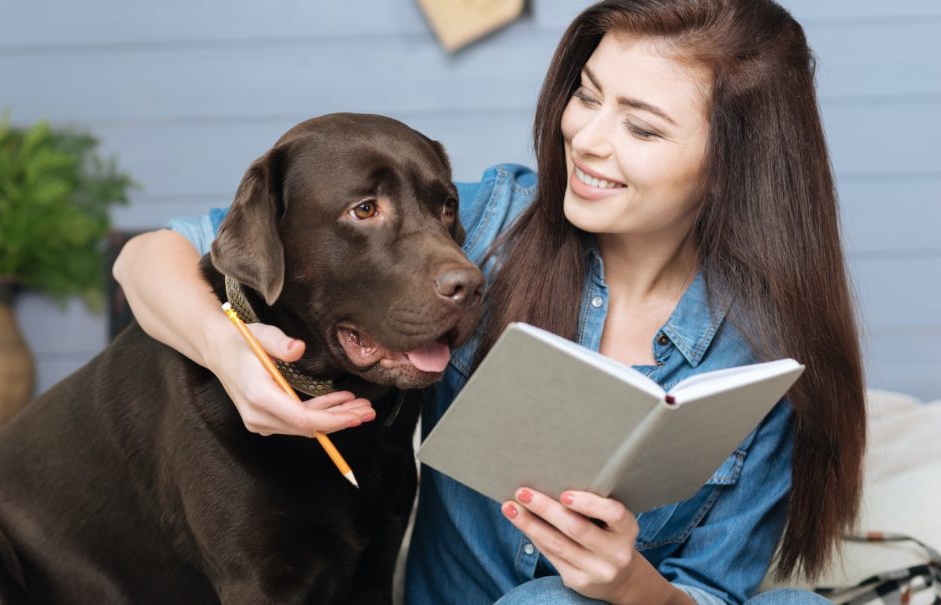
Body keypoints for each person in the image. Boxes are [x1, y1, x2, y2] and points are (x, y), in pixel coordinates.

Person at [113, 0, 866, 603]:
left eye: (640, 126)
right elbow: (151, 256)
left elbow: (711, 589)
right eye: (587, 95)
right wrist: (232, 359)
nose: (589, 140)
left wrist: (629, 584)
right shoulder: (485, 227)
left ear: (729, 166)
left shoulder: (763, 351)